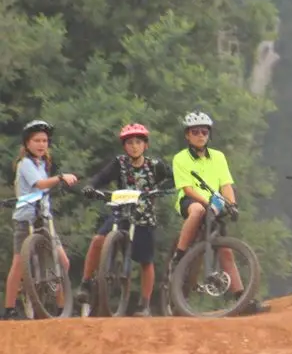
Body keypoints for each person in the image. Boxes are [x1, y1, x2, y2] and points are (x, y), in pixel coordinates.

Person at [170, 111, 265, 315]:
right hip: (192, 201)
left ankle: (241, 297)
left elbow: (226, 185)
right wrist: (207, 203)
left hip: (216, 204)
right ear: (187, 135)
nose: (200, 135)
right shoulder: (180, 158)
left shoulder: (219, 157)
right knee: (196, 211)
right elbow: (187, 189)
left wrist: (232, 204)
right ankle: (179, 255)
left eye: (204, 131)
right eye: (195, 132)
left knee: (226, 251)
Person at [78, 123, 172, 316]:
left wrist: (160, 189)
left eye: (138, 142)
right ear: (124, 146)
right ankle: (85, 283)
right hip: (120, 213)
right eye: (130, 143)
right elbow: (100, 178)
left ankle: (144, 304)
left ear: (145, 145)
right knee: (98, 240)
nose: (134, 146)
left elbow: (174, 177)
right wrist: (91, 187)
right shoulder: (119, 163)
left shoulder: (155, 165)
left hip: (143, 216)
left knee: (146, 261)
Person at [3, 121, 78, 320]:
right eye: (36, 140)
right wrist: (60, 178)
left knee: (62, 261)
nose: (41, 144)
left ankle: (62, 306)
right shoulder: (25, 164)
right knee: (18, 264)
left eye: (44, 140)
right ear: (27, 144)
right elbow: (40, 184)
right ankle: (9, 308)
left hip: (44, 218)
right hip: (25, 219)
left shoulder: (43, 163)